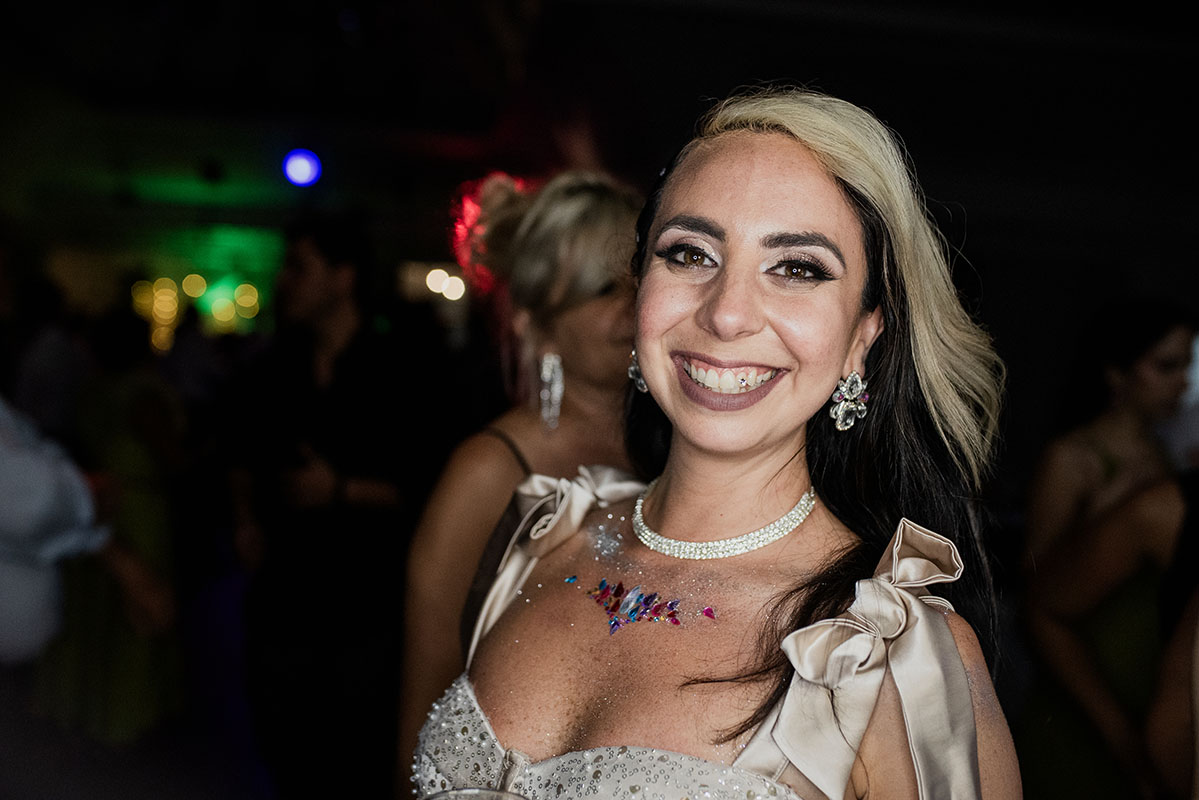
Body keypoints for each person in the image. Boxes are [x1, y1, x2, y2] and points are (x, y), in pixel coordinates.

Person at [409, 86, 1020, 799]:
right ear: (640, 290)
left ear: (862, 337)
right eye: (689, 254)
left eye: (796, 268)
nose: (727, 313)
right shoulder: (539, 539)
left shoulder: (887, 656)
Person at [399, 170, 643, 772]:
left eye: (642, 281)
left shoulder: (675, 446)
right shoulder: (486, 471)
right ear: (534, 323)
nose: (635, 307)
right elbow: (426, 693)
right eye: (603, 290)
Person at [228, 207, 418, 798]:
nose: (285, 280)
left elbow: (431, 485)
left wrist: (340, 491)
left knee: (352, 754)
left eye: (299, 267)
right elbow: (239, 450)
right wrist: (244, 520)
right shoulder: (274, 367)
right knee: (284, 745)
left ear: (343, 276)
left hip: (363, 604)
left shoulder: (399, 372)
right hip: (284, 594)